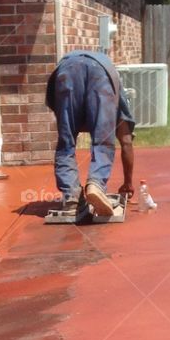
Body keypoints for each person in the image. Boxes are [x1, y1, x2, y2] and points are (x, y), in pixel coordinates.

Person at [46, 50, 135, 219]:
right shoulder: (119, 97)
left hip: (65, 70)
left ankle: (71, 197)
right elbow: (126, 142)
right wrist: (128, 183)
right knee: (103, 140)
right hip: (100, 73)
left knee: (66, 142)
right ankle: (95, 184)